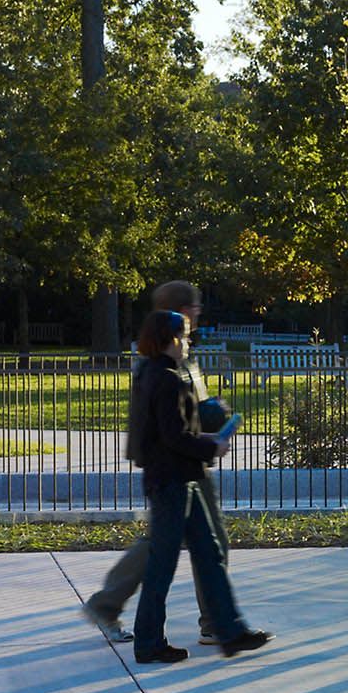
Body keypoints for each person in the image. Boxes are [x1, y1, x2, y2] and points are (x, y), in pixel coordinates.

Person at [125, 308, 271, 664]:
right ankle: (148, 643)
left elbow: (166, 433)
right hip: (174, 482)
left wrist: (203, 438)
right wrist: (211, 445)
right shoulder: (168, 378)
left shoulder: (149, 373)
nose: (189, 342)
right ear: (171, 339)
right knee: (165, 565)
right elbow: (174, 437)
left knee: (209, 555)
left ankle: (230, 632)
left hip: (180, 479)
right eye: (186, 335)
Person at [83, 280, 224, 640]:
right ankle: (214, 623)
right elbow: (169, 424)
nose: (198, 314)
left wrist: (209, 417)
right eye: (194, 307)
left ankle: (213, 622)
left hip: (185, 461)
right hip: (178, 465)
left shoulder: (176, 354)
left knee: (184, 542)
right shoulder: (162, 362)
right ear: (182, 311)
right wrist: (207, 436)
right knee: (191, 542)